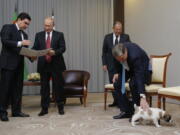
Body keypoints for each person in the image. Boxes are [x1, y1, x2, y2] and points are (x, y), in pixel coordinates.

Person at [0, 12, 31, 121]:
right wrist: (20, 43)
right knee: (5, 89)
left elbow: (24, 51)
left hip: (19, 66)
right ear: (19, 19)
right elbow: (5, 41)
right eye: (25, 23)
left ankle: (16, 111)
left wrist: (32, 56)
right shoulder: (8, 27)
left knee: (18, 89)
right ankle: (2, 112)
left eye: (28, 25)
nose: (26, 26)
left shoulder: (25, 35)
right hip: (8, 65)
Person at [32, 17, 66, 116]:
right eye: (45, 25)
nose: (46, 27)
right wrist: (31, 52)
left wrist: (54, 52)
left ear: (53, 25)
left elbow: (63, 48)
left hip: (56, 64)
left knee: (58, 87)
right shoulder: (38, 35)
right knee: (44, 88)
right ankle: (44, 108)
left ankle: (60, 107)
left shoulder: (59, 35)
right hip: (43, 65)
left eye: (48, 25)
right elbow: (35, 47)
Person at [112, 43, 152, 119]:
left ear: (125, 51)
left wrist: (142, 97)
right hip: (129, 68)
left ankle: (140, 112)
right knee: (117, 84)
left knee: (133, 83)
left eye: (122, 59)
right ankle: (126, 111)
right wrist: (117, 73)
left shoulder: (135, 55)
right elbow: (119, 65)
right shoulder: (116, 52)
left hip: (143, 70)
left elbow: (139, 76)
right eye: (119, 60)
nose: (121, 61)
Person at [102, 21, 130, 107]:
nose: (118, 31)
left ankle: (122, 101)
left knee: (121, 83)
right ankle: (116, 101)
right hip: (111, 64)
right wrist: (104, 64)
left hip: (121, 64)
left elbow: (129, 48)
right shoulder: (107, 37)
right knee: (113, 83)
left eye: (120, 29)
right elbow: (104, 51)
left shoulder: (126, 37)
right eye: (117, 29)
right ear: (113, 28)